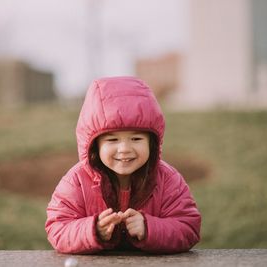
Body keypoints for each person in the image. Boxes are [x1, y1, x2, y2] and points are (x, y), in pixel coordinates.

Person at [45, 76, 201, 254]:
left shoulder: (168, 180)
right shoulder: (76, 181)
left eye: (136, 138)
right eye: (112, 139)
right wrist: (93, 230)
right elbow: (57, 228)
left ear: (152, 142)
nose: (125, 149)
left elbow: (189, 227)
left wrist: (149, 228)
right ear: (94, 144)